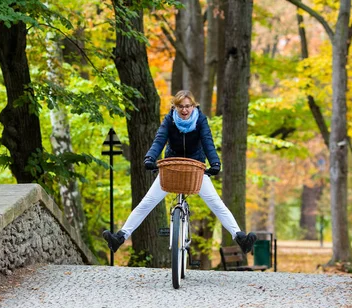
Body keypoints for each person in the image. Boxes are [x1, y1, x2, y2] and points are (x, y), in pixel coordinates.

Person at [102, 90, 257, 255]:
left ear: (193, 106)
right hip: (172, 167)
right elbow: (159, 139)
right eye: (181, 106)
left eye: (188, 106)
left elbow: (207, 142)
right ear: (175, 107)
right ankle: (120, 237)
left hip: (195, 169)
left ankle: (240, 238)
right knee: (147, 202)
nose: (185, 110)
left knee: (216, 203)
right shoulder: (169, 120)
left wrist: (215, 163)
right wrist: (149, 158)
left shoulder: (201, 120)